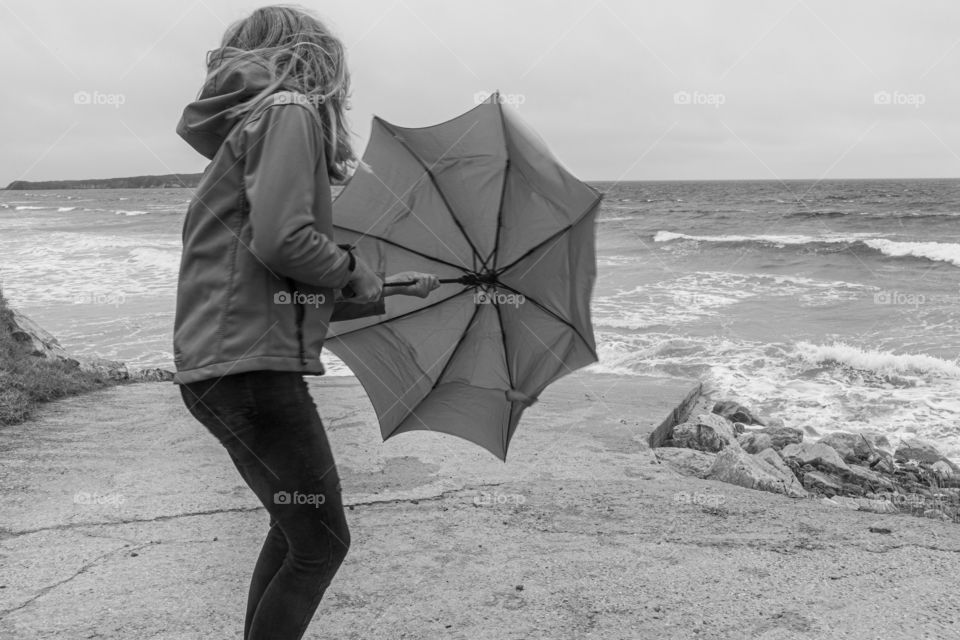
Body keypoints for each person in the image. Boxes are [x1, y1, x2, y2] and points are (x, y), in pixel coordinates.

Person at [173, 6, 439, 639]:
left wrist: (378, 288)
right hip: (252, 371)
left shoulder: (248, 129)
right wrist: (350, 267)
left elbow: (266, 280)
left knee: (298, 533)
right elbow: (287, 241)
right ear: (314, 54)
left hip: (220, 368)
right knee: (320, 544)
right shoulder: (289, 108)